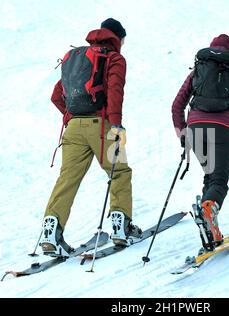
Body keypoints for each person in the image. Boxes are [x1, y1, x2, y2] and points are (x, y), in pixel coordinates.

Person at [40, 18, 142, 256]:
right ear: (117, 38)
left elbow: (57, 95)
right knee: (119, 172)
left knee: (67, 179)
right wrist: (116, 124)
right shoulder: (114, 58)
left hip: (73, 128)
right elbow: (115, 91)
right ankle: (121, 227)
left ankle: (50, 233)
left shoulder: (78, 57)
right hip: (102, 128)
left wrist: (73, 116)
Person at [171, 34, 229, 251]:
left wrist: (182, 134)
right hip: (222, 130)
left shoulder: (198, 70)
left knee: (210, 177)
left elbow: (177, 105)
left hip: (195, 129)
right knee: (219, 181)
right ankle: (209, 209)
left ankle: (210, 228)